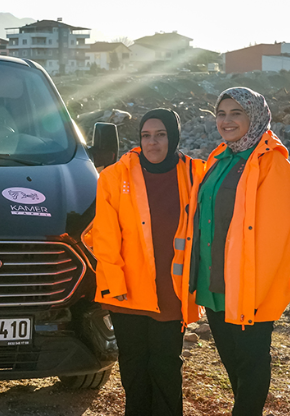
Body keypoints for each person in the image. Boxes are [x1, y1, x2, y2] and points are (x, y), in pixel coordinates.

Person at [182, 87, 290, 415]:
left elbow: (276, 241)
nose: (227, 120)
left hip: (249, 289)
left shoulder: (274, 165)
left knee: (251, 365)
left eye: (237, 113)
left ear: (256, 116)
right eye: (221, 113)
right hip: (215, 285)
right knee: (235, 366)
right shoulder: (219, 158)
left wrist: (256, 292)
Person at [85, 109, 204, 416]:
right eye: (146, 136)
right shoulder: (115, 176)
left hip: (170, 294)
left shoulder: (195, 175)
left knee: (165, 368)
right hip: (127, 293)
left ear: (173, 137)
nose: (153, 143)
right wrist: (114, 284)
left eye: (161, 135)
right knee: (134, 370)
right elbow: (105, 237)